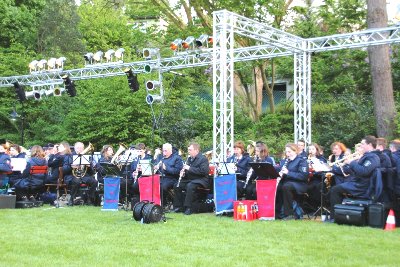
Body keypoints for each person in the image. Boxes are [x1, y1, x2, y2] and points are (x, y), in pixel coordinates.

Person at [329, 136, 381, 222]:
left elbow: (364, 171)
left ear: (370, 145)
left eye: (362, 144)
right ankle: (341, 215)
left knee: (335, 189)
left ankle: (335, 217)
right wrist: (347, 165)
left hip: (361, 186)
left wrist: (352, 162)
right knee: (336, 188)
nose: (361, 147)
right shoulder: (367, 156)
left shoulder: (373, 157)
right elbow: (356, 170)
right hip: (357, 183)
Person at [173, 143, 209, 215]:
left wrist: (189, 168)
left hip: (201, 180)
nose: (188, 151)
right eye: (188, 150)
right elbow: (188, 172)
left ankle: (188, 207)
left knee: (190, 186)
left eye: (190, 150)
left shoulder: (203, 159)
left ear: (196, 150)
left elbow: (203, 172)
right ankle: (179, 206)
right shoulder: (189, 159)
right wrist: (183, 174)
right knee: (177, 185)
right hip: (191, 179)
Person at [275, 143, 309, 220]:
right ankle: (277, 213)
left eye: (289, 152)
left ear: (295, 151)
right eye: (286, 152)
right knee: (278, 187)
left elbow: (303, 176)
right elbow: (279, 169)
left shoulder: (302, 161)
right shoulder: (285, 161)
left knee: (286, 187)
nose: (287, 154)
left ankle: (289, 214)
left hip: (300, 184)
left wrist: (288, 173)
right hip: (287, 182)